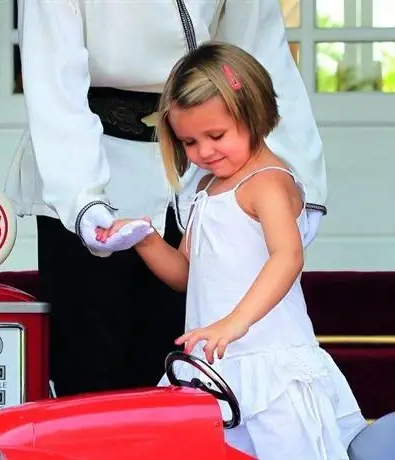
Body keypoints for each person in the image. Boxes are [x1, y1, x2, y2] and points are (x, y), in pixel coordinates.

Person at [5, 0, 328, 397]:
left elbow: (261, 49)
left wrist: (300, 172)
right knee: (89, 373)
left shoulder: (220, 166)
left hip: (197, 167)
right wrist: (81, 196)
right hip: (84, 159)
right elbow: (52, 74)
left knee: (175, 376)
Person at [98, 42, 365, 460]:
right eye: (189, 142)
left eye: (216, 136)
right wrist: (146, 240)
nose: (204, 152)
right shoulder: (205, 189)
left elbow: (288, 257)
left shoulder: (269, 183)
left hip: (269, 368)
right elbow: (187, 274)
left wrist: (234, 323)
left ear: (254, 114)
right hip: (218, 369)